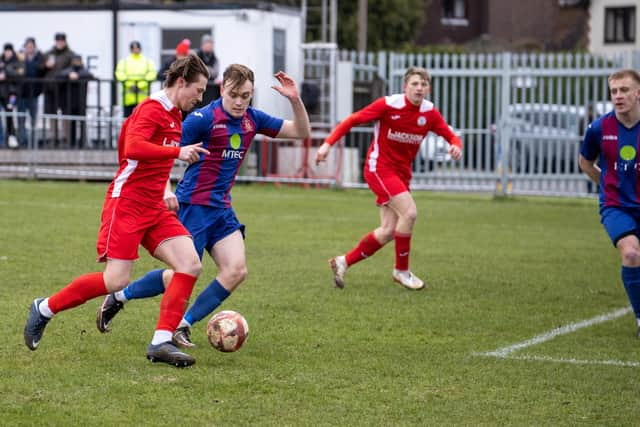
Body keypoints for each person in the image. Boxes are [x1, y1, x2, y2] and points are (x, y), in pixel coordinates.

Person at [96, 64, 310, 348]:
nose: (239, 101)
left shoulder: (253, 119)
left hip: (221, 209)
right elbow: (160, 151)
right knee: (180, 273)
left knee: (236, 270)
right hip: (192, 206)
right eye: (234, 94)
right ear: (222, 89)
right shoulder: (201, 119)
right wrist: (165, 189)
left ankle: (183, 324)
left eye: (245, 96)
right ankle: (120, 297)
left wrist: (294, 100)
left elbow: (300, 132)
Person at [23, 54, 211, 368]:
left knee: (190, 264)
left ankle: (161, 341)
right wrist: (178, 151)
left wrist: (165, 189)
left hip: (153, 207)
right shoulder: (151, 109)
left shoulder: (175, 116)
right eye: (199, 89)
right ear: (181, 83)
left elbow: (155, 162)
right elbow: (133, 149)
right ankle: (43, 308)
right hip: (126, 205)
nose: (200, 97)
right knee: (115, 280)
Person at [315, 66, 462, 290]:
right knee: (410, 213)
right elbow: (352, 120)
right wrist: (327, 144)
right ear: (405, 87)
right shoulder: (388, 104)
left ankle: (343, 262)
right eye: (414, 84)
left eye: (423, 84)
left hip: (402, 174)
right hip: (379, 168)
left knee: (389, 230)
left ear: (428, 89)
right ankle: (401, 271)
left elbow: (450, 135)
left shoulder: (429, 112)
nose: (419, 88)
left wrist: (455, 145)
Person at [579, 68, 640, 338]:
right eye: (614, 91)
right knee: (630, 254)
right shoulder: (598, 129)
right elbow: (585, 163)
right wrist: (606, 187)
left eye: (624, 90)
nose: (618, 96)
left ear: (638, 93)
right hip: (616, 206)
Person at [43, 32, 75, 146]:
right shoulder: (48, 54)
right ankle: (53, 138)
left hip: (64, 88)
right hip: (50, 88)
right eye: (58, 41)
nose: (60, 43)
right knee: (51, 114)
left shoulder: (70, 54)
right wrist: (45, 66)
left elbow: (74, 67)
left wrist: (61, 75)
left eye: (62, 41)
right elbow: (40, 68)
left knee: (65, 114)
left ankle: (64, 138)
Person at [56, 55, 94, 147]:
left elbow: (90, 75)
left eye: (78, 61)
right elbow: (59, 75)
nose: (76, 63)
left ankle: (82, 142)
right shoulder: (69, 71)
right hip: (69, 102)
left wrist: (78, 76)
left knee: (82, 122)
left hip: (81, 102)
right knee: (71, 123)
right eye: (75, 61)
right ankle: (71, 142)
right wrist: (69, 75)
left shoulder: (83, 71)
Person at [115, 41, 157, 118]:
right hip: (128, 98)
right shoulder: (124, 61)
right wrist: (131, 85)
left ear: (140, 49)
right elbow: (119, 73)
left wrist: (139, 85)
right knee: (127, 119)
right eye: (133, 48)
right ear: (130, 50)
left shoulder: (147, 61)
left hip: (142, 97)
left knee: (143, 118)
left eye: (137, 48)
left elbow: (152, 74)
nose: (135, 50)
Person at [17, 37, 45, 148]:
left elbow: (40, 70)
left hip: (34, 93)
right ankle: (22, 141)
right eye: (27, 46)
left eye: (31, 46)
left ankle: (33, 143)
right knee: (21, 119)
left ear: (34, 47)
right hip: (22, 93)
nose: (29, 48)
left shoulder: (39, 57)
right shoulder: (20, 57)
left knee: (34, 120)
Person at [0, 42, 23, 148]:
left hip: (12, 94)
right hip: (1, 92)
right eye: (6, 50)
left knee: (10, 115)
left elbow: (19, 75)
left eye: (9, 51)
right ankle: (3, 139)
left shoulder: (17, 62)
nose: (7, 53)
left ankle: (11, 137)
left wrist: (6, 71)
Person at [196, 34, 220, 107]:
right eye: (207, 43)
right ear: (202, 45)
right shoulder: (196, 55)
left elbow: (215, 73)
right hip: (197, 86)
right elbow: (195, 69)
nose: (209, 46)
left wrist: (204, 68)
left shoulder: (214, 58)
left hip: (210, 88)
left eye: (211, 44)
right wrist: (208, 69)